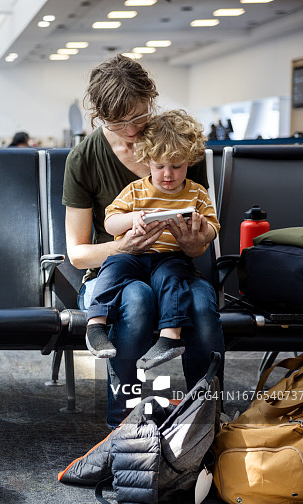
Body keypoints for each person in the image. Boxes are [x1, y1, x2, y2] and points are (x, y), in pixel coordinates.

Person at [62, 54, 224, 428]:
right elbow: (78, 254)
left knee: (202, 306)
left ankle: (206, 418)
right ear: (99, 117)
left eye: (139, 116)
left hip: (174, 267)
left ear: (151, 100)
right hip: (115, 271)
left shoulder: (179, 148)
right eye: (118, 122)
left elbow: (201, 239)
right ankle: (125, 421)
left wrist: (193, 242)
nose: (132, 129)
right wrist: (124, 246)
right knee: (136, 299)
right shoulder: (84, 159)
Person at [84, 110, 220, 372]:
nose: (168, 174)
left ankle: (170, 337)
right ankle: (96, 325)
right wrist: (133, 218)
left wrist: (201, 231)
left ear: (189, 161)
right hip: (133, 255)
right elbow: (110, 222)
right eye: (159, 166)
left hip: (170, 257)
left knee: (172, 277)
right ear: (147, 161)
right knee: (113, 266)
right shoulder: (136, 191)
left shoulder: (197, 193)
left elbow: (213, 227)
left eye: (176, 166)